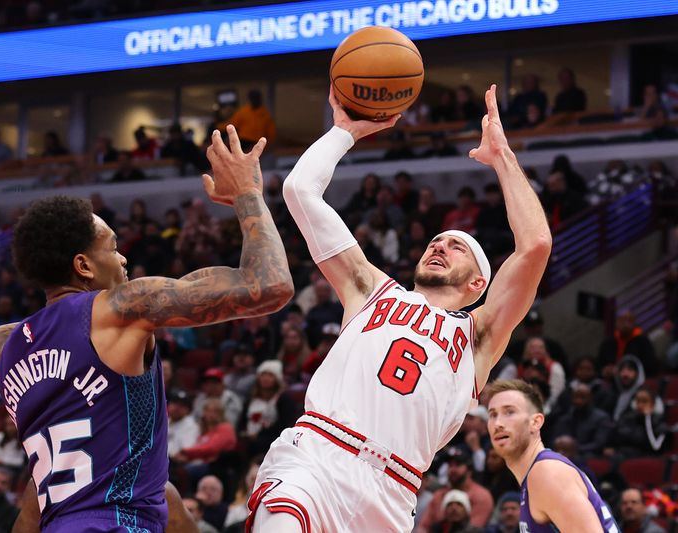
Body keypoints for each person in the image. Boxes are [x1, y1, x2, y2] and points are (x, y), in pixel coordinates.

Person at [0, 124, 293, 532]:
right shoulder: (121, 307)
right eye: (113, 248)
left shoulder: (6, 343)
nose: (123, 260)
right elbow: (268, 286)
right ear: (83, 266)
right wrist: (247, 194)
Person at [248, 83, 551, 532]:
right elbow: (300, 191)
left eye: (457, 247)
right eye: (436, 241)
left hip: (393, 490)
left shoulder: (479, 336)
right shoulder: (373, 289)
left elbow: (536, 245)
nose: (441, 246)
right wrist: (343, 132)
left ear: (478, 283)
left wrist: (502, 156)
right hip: (317, 456)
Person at [486, 379, 620, 531]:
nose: (498, 423)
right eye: (492, 414)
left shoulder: (546, 473)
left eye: (509, 412)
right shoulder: (535, 475)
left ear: (536, 422)